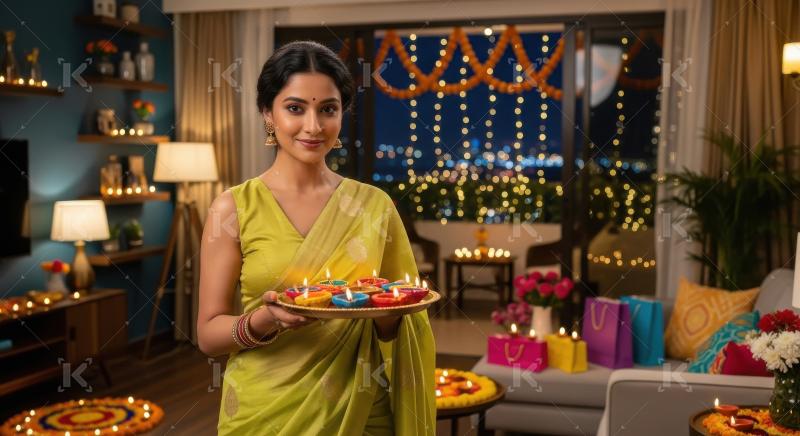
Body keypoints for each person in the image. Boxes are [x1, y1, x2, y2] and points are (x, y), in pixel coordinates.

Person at [197, 40, 436, 435]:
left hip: (360, 409)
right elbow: (208, 335)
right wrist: (264, 320)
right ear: (267, 113)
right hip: (264, 412)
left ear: (342, 114)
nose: (313, 126)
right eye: (295, 108)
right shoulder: (233, 208)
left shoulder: (374, 207)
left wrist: (390, 318)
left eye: (328, 109)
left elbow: (401, 318)